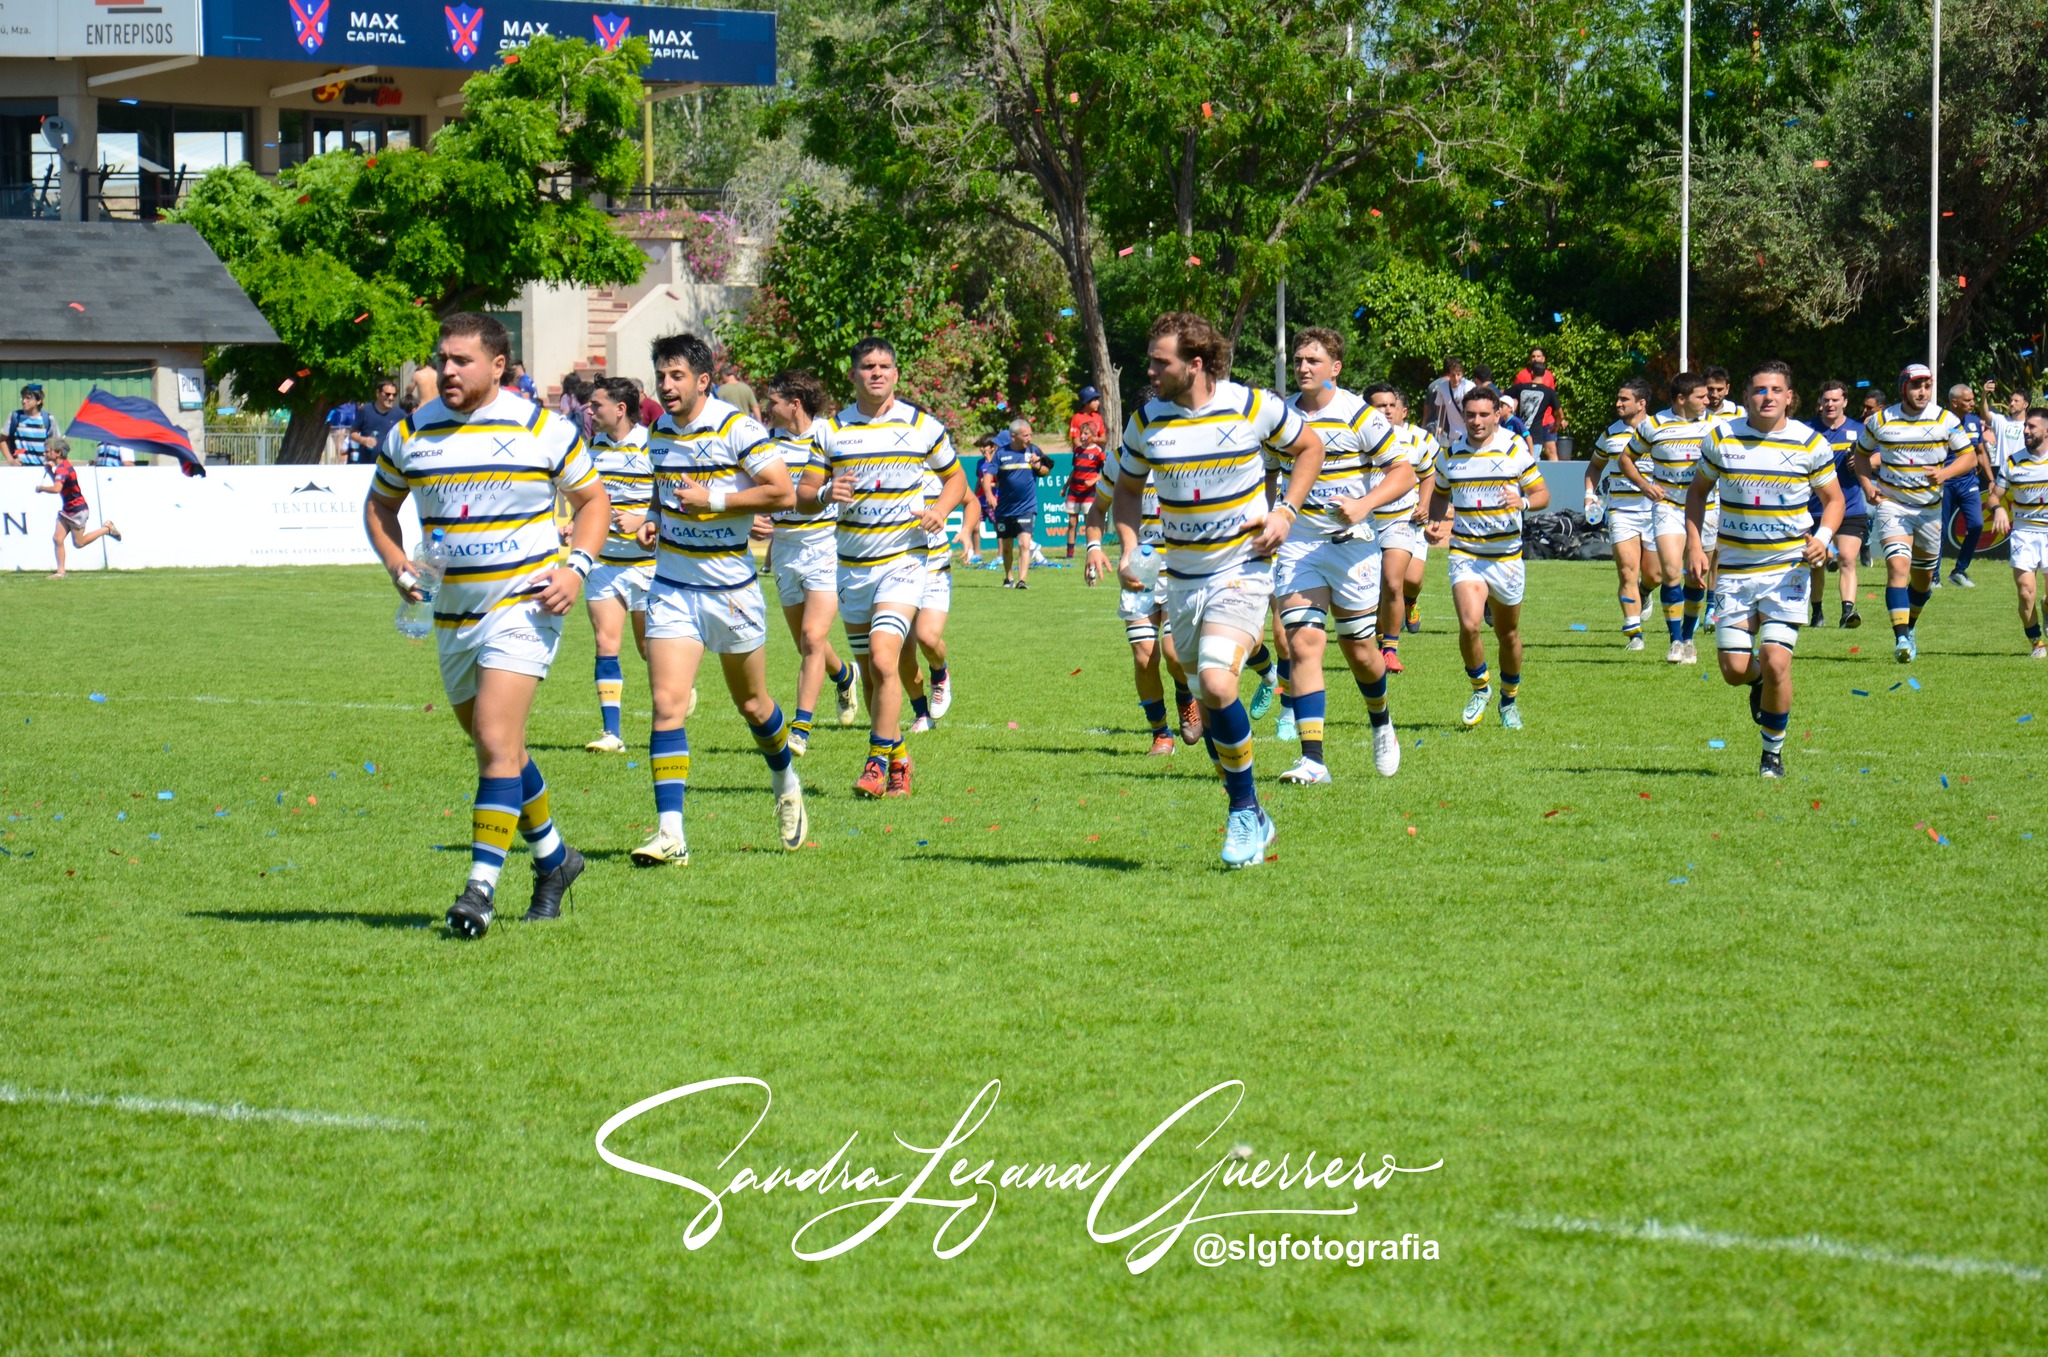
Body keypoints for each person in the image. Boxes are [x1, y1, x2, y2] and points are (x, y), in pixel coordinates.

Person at [363, 312, 608, 939]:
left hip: (524, 607)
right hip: (450, 614)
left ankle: (480, 889)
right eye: (443, 358)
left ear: (498, 366)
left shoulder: (543, 429)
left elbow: (594, 501)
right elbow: (379, 506)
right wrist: (397, 564)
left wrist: (576, 568)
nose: (447, 369)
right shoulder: (411, 432)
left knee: (497, 740)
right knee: (497, 747)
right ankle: (555, 860)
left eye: (461, 360)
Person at [1114, 310, 1323, 868]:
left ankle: (1243, 810)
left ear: (1197, 364)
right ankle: (1253, 813)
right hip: (1181, 577)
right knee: (1208, 700)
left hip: (1243, 568)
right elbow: (1127, 490)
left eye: (1162, 362)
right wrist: (1131, 548)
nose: (1152, 370)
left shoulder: (1252, 405)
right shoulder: (1145, 421)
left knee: (1213, 679)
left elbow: (1310, 449)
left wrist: (1286, 512)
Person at [628, 332, 807, 866]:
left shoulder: (739, 428)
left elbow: (783, 492)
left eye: (677, 375)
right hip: (673, 587)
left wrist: (717, 500)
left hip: (731, 590)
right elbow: (668, 497)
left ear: (703, 380)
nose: (666, 384)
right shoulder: (656, 433)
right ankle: (671, 834)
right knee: (667, 704)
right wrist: (653, 522)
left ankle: (784, 779)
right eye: (662, 375)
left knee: (753, 705)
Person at [798, 337, 968, 799]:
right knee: (874, 678)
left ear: (896, 374)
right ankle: (900, 759)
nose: (877, 373)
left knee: (882, 657)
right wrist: (823, 493)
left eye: (885, 366)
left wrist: (941, 511)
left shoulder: (921, 425)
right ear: (852, 373)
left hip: (904, 561)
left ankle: (875, 760)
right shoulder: (829, 431)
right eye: (868, 366)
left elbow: (955, 478)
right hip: (852, 566)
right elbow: (804, 492)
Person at [1689, 360, 1843, 779]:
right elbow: (1697, 493)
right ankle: (1756, 682)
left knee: (1777, 661)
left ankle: (1771, 755)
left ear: (1789, 397)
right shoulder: (1721, 439)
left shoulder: (1809, 444)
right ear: (1746, 397)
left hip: (1786, 570)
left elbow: (1834, 500)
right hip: (1736, 571)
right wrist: (1694, 546)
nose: (1767, 397)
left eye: (1776, 390)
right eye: (1759, 389)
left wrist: (1823, 539)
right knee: (1734, 671)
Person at [1270, 328, 1406, 783]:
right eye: (1299, 361)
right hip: (1299, 543)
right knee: (1303, 642)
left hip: (1353, 547)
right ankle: (1313, 759)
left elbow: (1403, 472)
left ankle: (1381, 720)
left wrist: (1364, 505)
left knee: (1359, 649)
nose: (1304, 367)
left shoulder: (1358, 414)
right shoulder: (1282, 416)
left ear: (1335, 367)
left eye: (1313, 360)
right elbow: (1265, 471)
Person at [1427, 387, 1548, 728]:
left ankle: (1509, 702)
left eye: (1483, 415)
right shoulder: (1450, 453)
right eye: (1470, 415)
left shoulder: (1514, 450)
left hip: (1506, 556)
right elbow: (1439, 494)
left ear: (1497, 415)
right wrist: (1435, 523)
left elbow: (1542, 494)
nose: (1476, 421)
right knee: (1469, 625)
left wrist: (1521, 501)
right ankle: (1480, 687)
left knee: (1508, 634)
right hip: (1466, 551)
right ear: (1462, 416)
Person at [760, 369, 860, 756]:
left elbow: (850, 479)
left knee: (813, 638)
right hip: (785, 548)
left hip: (824, 545)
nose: (768, 408)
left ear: (794, 404)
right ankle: (844, 674)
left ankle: (800, 729)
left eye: (773, 402)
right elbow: (757, 489)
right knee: (807, 644)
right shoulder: (767, 444)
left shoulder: (829, 436)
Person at [1856, 362, 1978, 663]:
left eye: (1927, 386)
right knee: (1898, 568)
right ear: (1903, 388)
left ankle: (1910, 627)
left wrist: (1945, 474)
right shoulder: (1881, 419)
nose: (1922, 392)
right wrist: (1867, 485)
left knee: (1922, 581)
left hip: (1929, 511)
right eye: (1916, 386)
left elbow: (1970, 457)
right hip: (1892, 506)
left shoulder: (1945, 420)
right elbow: (1860, 455)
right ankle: (1900, 639)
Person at [1084, 459, 1191, 755]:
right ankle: (1161, 734)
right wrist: (1094, 547)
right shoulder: (1120, 460)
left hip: (1181, 569)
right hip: (1138, 569)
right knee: (1144, 657)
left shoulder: (1188, 452)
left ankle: (1185, 696)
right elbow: (1097, 509)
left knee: (1175, 653)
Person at [580, 377, 655, 754]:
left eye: (596, 405)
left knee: (648, 648)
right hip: (604, 563)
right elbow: (586, 502)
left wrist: (643, 520)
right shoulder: (591, 449)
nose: (590, 411)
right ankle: (612, 734)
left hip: (647, 567)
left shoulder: (653, 444)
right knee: (605, 643)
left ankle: (678, 694)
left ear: (620, 409)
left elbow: (672, 499)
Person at [1630, 372, 1719, 664]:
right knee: (1670, 571)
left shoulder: (1717, 427)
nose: (1709, 400)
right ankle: (1675, 641)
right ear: (1681, 399)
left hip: (1707, 508)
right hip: (1668, 506)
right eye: (1701, 396)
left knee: (1697, 577)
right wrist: (1646, 486)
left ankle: (1689, 638)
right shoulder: (1653, 425)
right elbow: (1626, 459)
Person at [1583, 377, 1658, 649]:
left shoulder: (1658, 430)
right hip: (1622, 511)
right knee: (1627, 570)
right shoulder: (1611, 433)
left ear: (1641, 404)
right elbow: (1594, 467)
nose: (1617, 403)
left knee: (1654, 575)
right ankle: (1634, 633)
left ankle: (1645, 591)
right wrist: (1590, 496)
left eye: (1624, 399)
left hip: (1656, 512)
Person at [1366, 384, 1436, 673]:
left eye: (1390, 405)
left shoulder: (1414, 440)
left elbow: (1427, 474)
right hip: (1366, 522)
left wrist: (1424, 504)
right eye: (1379, 406)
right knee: (1378, 591)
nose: (1386, 410)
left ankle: (1391, 649)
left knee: (1399, 582)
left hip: (1401, 519)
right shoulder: (1356, 438)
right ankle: (1381, 641)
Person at [1805, 380, 1869, 629]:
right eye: (1826, 400)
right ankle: (1817, 612)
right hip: (1815, 509)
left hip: (1851, 507)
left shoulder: (1859, 430)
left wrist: (1862, 464)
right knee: (1816, 565)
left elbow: (1877, 456)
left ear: (1845, 402)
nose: (1830, 404)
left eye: (1835, 400)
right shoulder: (1807, 430)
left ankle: (1847, 613)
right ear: (1820, 403)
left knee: (1848, 559)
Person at [1988, 405, 2048, 658]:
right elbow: (1994, 496)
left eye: (2031, 427)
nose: (2025, 430)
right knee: (2025, 592)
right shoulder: (2013, 461)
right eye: (2025, 426)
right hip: (2024, 533)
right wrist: (1999, 510)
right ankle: (2037, 643)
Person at [983, 418, 1052, 588]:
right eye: (1025, 435)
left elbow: (1046, 470)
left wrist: (1037, 466)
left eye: (1030, 434)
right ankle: (1009, 578)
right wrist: (989, 494)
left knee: (1024, 543)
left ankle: (1022, 580)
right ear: (1014, 436)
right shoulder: (1000, 454)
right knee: (1007, 547)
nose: (1029, 438)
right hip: (1005, 509)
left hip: (1026, 507)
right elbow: (987, 476)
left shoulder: (1033, 450)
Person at [36, 437, 121, 575]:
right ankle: (60, 571)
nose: (45, 454)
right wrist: (51, 472)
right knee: (57, 538)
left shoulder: (62, 470)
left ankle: (107, 529)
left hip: (77, 510)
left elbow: (57, 488)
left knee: (79, 543)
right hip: (68, 509)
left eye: (47, 452)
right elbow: (61, 486)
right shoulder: (61, 468)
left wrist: (42, 488)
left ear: (57, 453)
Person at [1937, 382, 1991, 588]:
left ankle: (1959, 571)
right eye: (1968, 400)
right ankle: (1933, 575)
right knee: (1938, 531)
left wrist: (1992, 480)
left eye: (1973, 399)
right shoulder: (1940, 421)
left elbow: (1980, 452)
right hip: (1946, 482)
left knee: (1977, 524)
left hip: (1969, 481)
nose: (1972, 403)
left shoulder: (1974, 421)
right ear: (1954, 402)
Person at [1062, 387, 1109, 558]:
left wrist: (1092, 439)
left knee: (1091, 519)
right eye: (1095, 399)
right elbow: (1075, 442)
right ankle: (1070, 553)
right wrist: (1065, 486)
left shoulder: (1097, 418)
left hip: (1090, 486)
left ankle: (1094, 548)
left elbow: (1104, 439)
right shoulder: (1077, 418)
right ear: (1086, 402)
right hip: (1075, 489)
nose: (1098, 402)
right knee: (1072, 521)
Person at [1508, 348, 1562, 460]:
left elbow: (1552, 398)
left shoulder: (1549, 375)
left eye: (1538, 356)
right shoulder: (1522, 375)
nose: (1535, 358)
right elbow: (1516, 398)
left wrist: (1559, 421)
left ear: (1543, 358)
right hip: (1527, 421)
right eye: (1533, 356)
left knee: (1551, 449)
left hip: (1547, 420)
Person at [347, 380, 403, 465]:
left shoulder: (400, 415)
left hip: (391, 467)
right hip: (367, 465)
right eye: (387, 394)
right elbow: (352, 433)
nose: (391, 398)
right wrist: (363, 440)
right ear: (378, 393)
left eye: (394, 395)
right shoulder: (365, 411)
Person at [959, 431, 994, 566]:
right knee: (975, 527)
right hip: (980, 499)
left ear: (992, 447)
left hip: (994, 498)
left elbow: (1000, 481)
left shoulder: (997, 461)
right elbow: (979, 481)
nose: (981, 449)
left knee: (1000, 528)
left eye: (984, 446)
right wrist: (974, 495)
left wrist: (989, 484)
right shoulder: (980, 463)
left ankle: (1001, 555)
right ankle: (977, 554)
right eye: (980, 446)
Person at [1424, 359, 1473, 446]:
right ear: (1449, 375)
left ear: (1462, 374)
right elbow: (1441, 406)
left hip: (1468, 430)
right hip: (1453, 433)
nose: (1456, 378)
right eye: (1453, 375)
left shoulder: (1468, 386)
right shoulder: (1442, 388)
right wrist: (1440, 425)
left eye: (1458, 375)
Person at [5, 383, 54, 466]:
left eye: (28, 398)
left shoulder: (48, 419)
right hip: (21, 469)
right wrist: (10, 459)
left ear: (38, 401)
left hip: (43, 469)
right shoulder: (15, 417)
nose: (24, 401)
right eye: (23, 398)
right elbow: (2, 440)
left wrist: (52, 461)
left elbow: (55, 443)